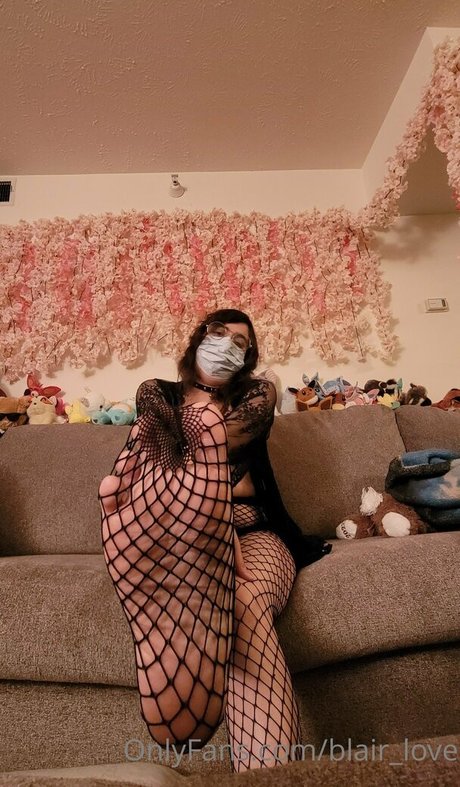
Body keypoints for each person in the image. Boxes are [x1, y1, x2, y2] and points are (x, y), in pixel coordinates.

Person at [98, 308, 331, 771]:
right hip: (175, 526)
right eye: (218, 332)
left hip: (253, 527)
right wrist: (203, 511)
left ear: (249, 356)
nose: (226, 345)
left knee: (240, 600)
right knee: (182, 508)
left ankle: (191, 609)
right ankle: (180, 580)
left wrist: (217, 515)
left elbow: (218, 443)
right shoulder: (155, 391)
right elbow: (159, 450)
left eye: (240, 342)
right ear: (199, 337)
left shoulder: (258, 393)